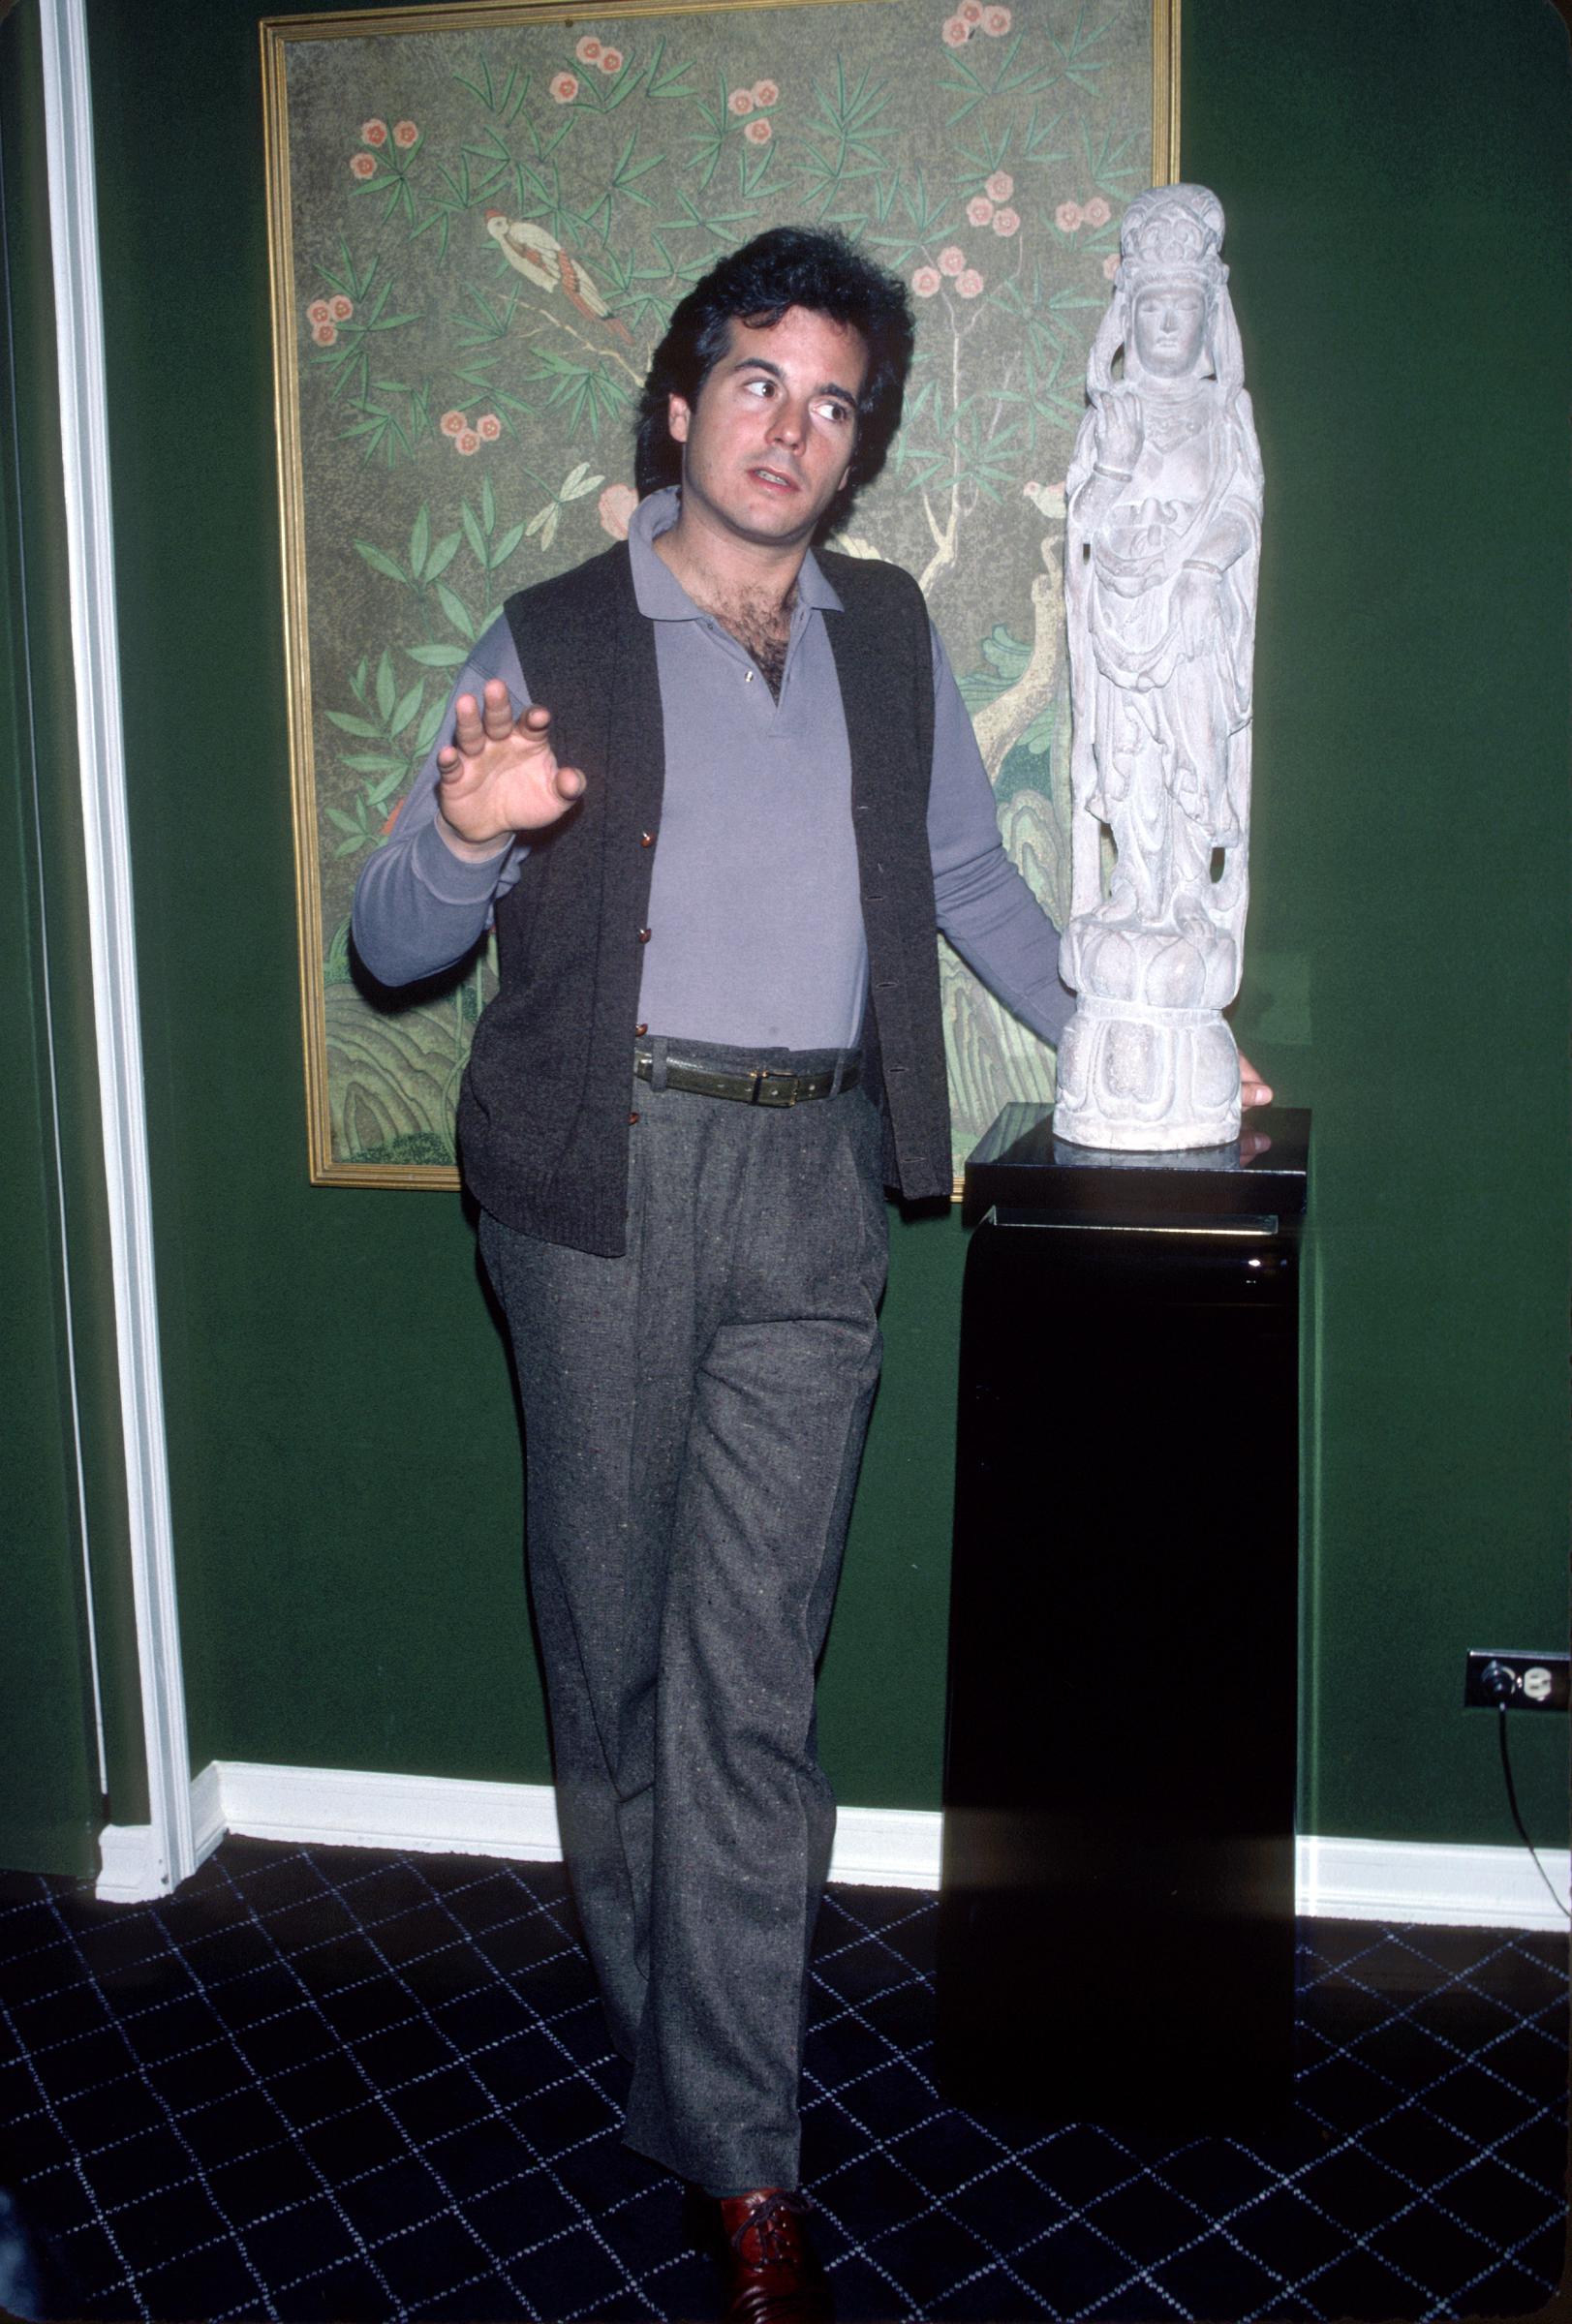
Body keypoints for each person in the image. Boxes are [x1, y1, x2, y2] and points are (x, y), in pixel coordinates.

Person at [353, 225, 1270, 2320]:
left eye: (831, 400)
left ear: (857, 449)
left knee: (754, 1683)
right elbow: (394, 938)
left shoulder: (882, 632)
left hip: (813, 1188)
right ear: (679, 402)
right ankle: (671, 2034)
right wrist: (474, 826)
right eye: (756, 381)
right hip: (597, 1179)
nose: (789, 426)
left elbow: (963, 878)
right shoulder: (550, 629)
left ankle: (740, 2153)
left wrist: (1158, 1040)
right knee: (621, 1667)